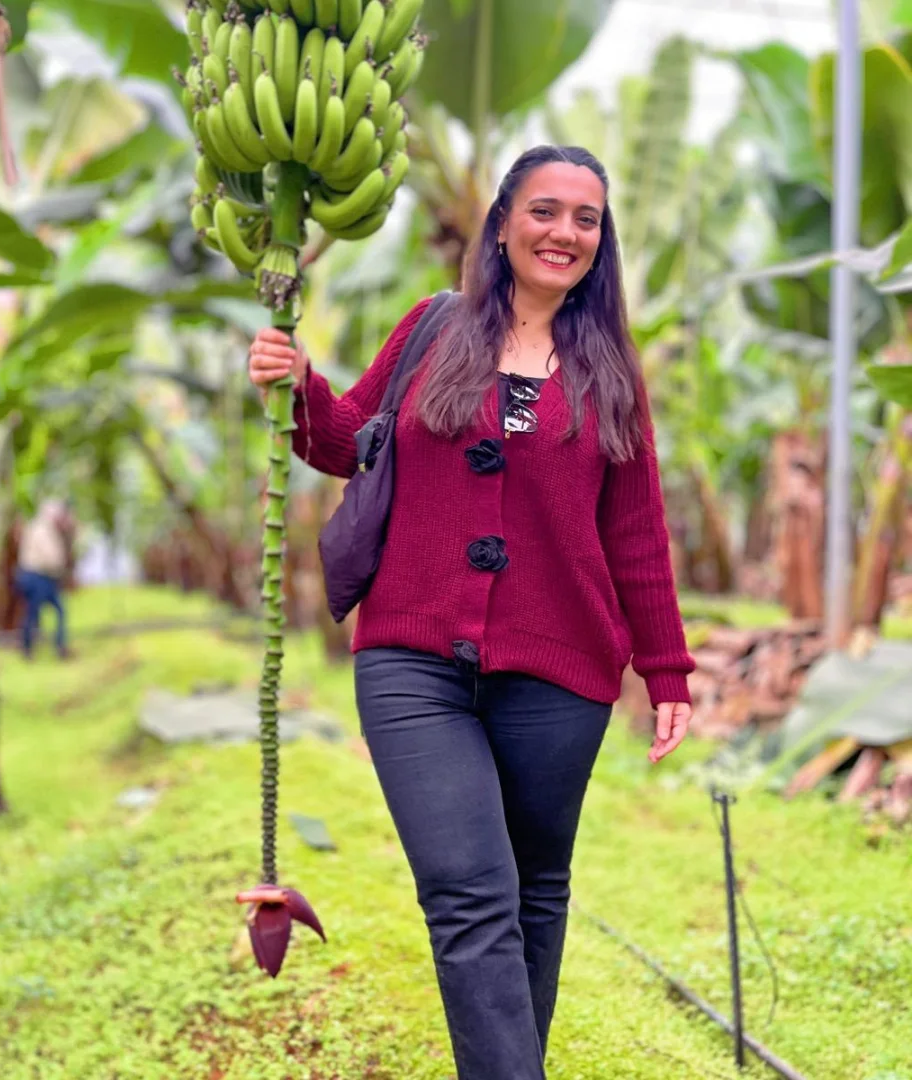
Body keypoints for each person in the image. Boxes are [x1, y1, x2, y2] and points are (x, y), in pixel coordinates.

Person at [248, 145, 695, 1080]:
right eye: (544, 210)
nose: (564, 232)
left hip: (560, 669)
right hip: (412, 657)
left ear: (602, 240)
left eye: (585, 219)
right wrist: (299, 383)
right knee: (466, 893)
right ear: (500, 225)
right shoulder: (433, 329)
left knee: (533, 893)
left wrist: (667, 673)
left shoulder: (610, 370)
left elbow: (636, 531)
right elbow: (346, 442)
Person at [14, 499, 73, 660]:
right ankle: (27, 648)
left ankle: (58, 646)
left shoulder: (48, 530)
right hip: (36, 577)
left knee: (54, 611)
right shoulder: (41, 530)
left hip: (43, 578)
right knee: (33, 613)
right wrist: (60, 567)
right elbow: (51, 559)